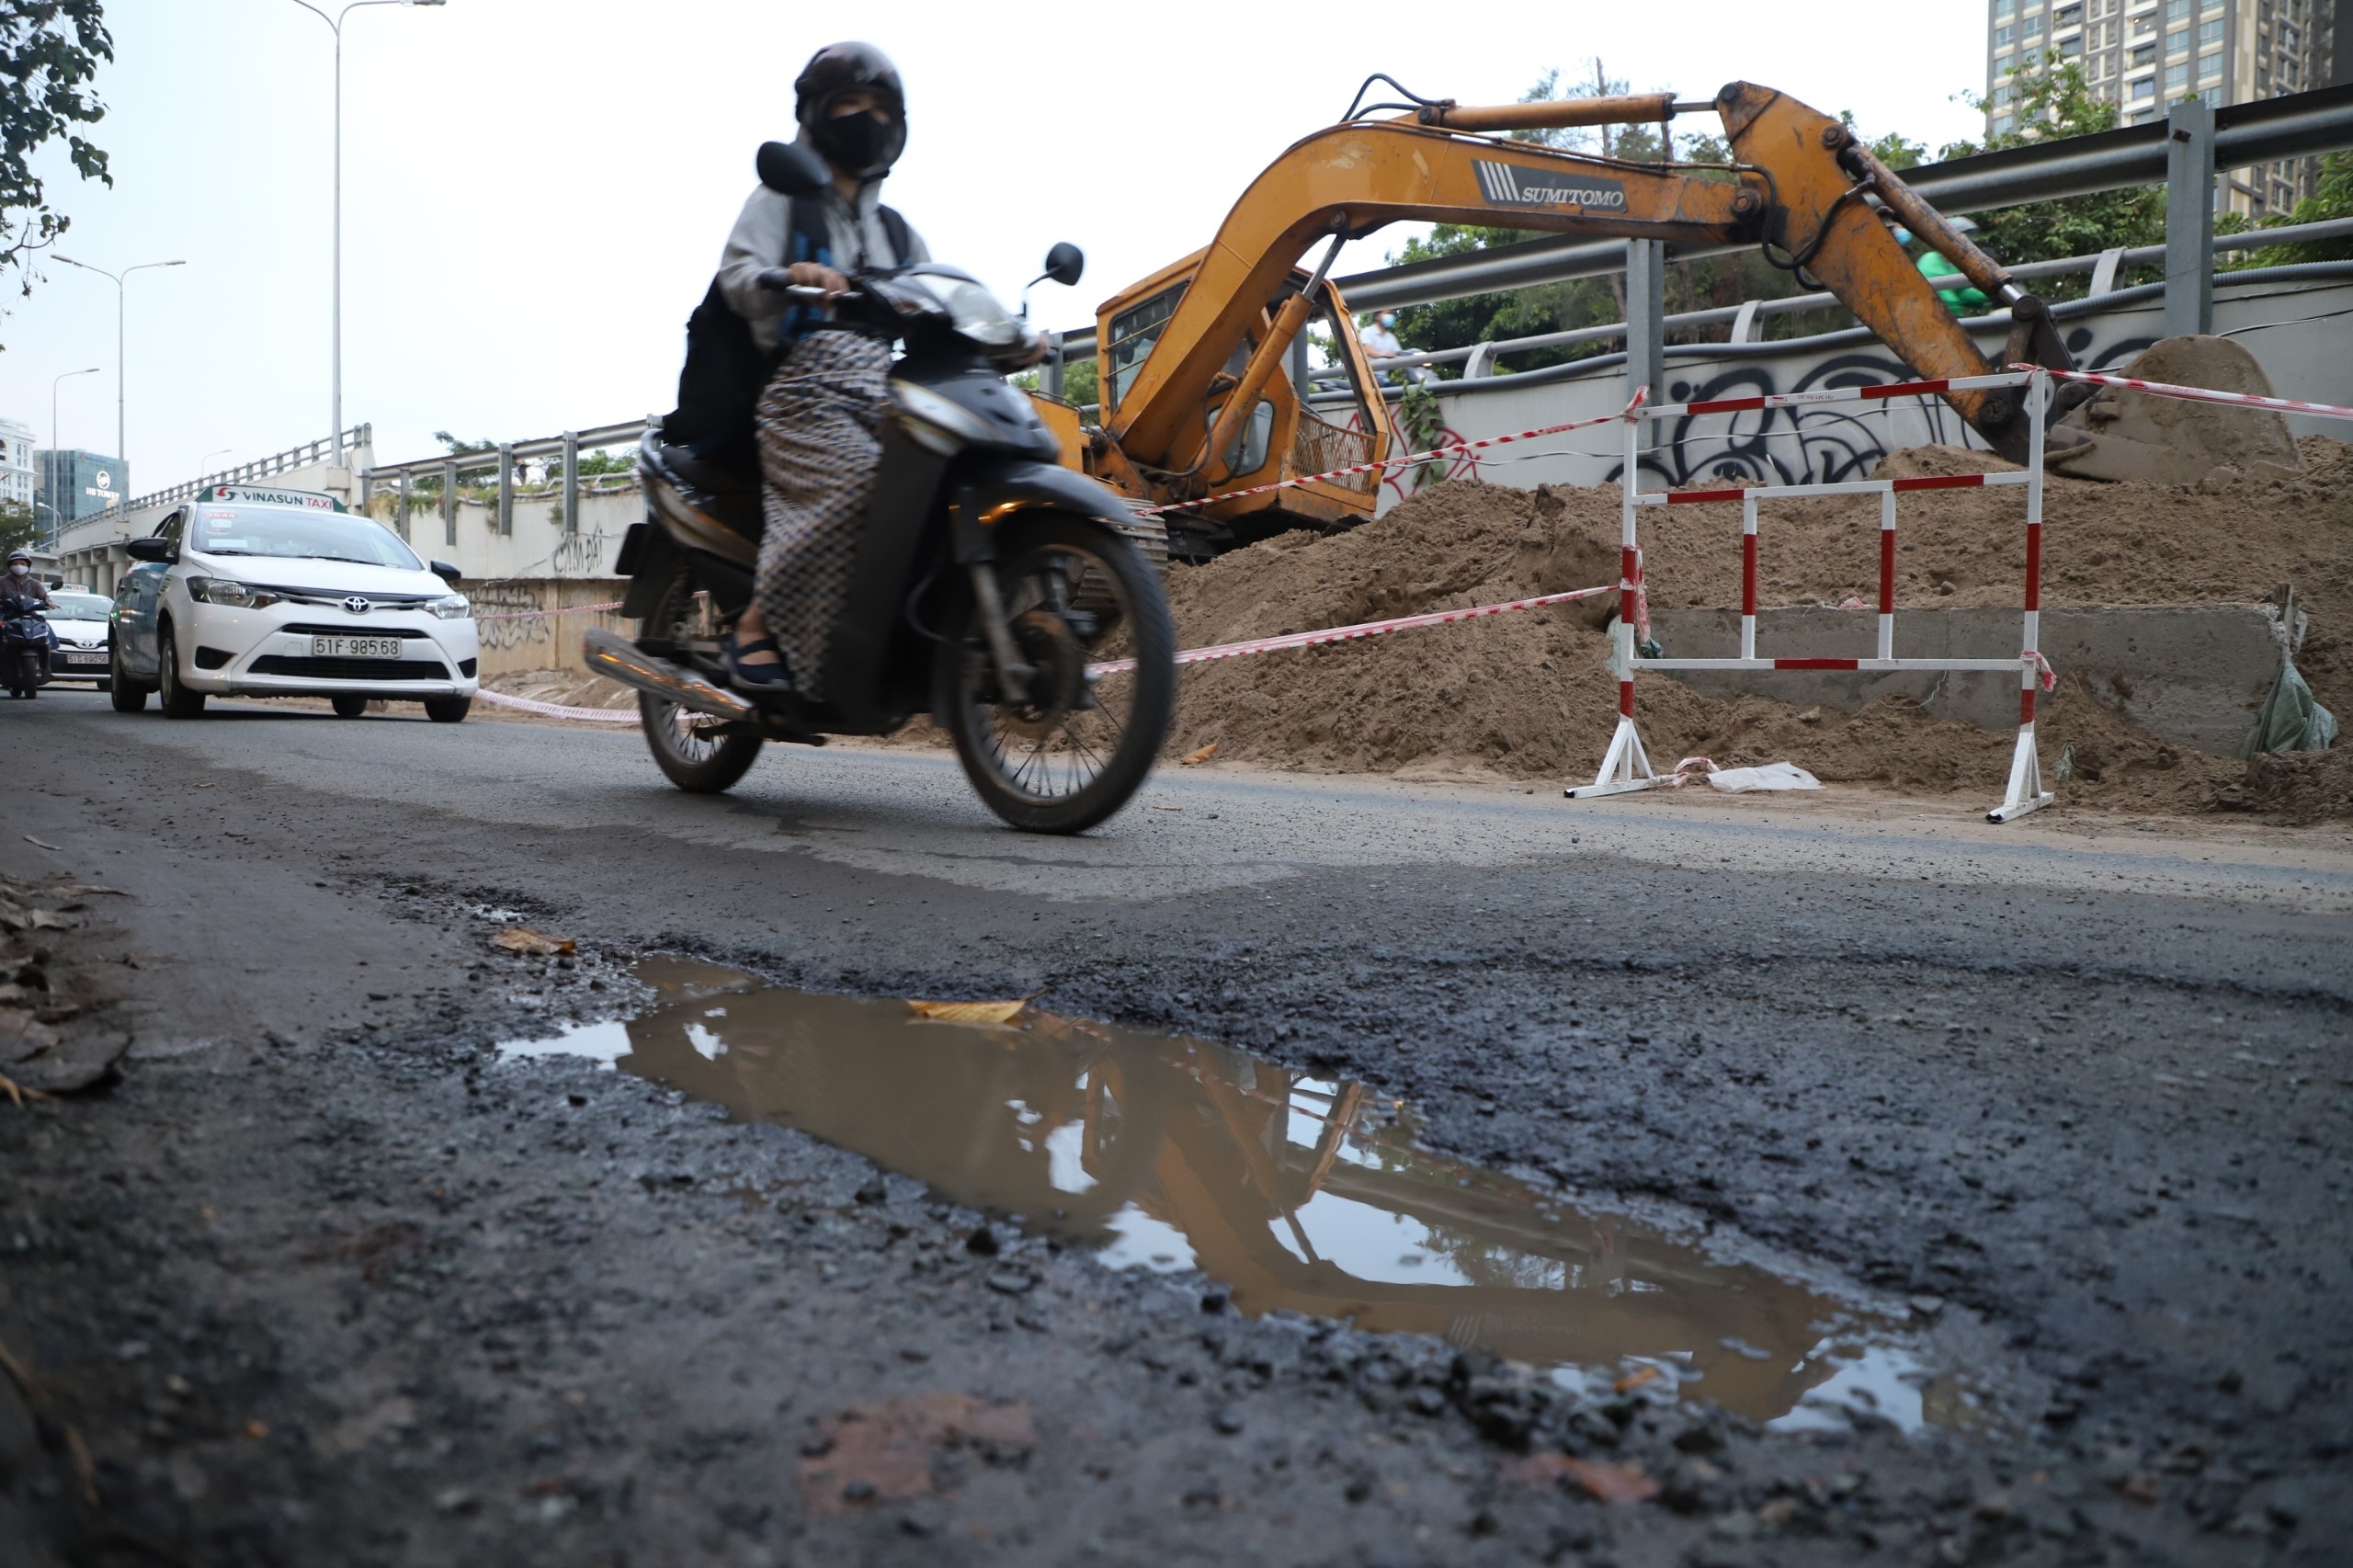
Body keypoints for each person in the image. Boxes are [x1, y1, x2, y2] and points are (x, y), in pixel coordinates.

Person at [703, 42, 931, 698]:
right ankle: (755, 625)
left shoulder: (897, 230)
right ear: (817, 117)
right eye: (851, 104)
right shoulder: (783, 197)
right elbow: (737, 276)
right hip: (804, 387)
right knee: (861, 485)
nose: (869, 118)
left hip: (886, 391)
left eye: (882, 107)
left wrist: (1005, 334)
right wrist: (791, 273)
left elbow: (936, 295)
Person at [1358, 310, 1426, 387]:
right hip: (1368, 377)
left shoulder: (1391, 337)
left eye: (1391, 314)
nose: (1391, 316)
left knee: (1401, 391)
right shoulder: (1367, 331)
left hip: (1382, 378)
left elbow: (1399, 355)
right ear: (1377, 316)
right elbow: (1369, 351)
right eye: (1388, 313)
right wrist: (1385, 354)